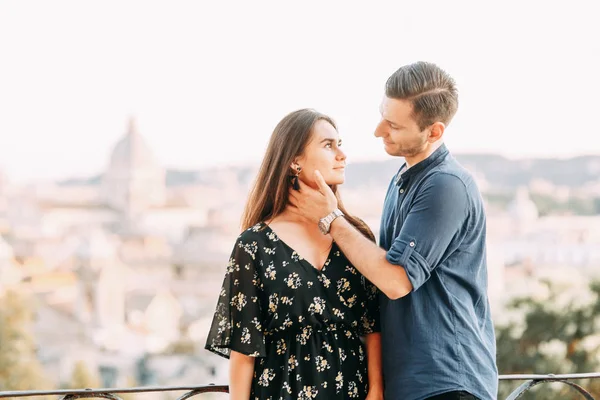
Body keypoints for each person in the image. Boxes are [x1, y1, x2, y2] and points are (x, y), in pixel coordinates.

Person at [288, 62, 498, 400]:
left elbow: (396, 280)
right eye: (382, 115)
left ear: (434, 132)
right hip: (413, 384)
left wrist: (331, 219)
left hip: (446, 383)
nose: (377, 130)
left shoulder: (445, 186)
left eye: (394, 125)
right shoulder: (402, 181)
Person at [205, 109, 383, 400]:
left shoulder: (356, 236)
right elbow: (243, 348)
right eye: (328, 145)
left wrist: (376, 390)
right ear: (294, 161)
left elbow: (373, 326)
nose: (342, 155)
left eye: (340, 143)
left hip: (351, 389)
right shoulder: (254, 245)